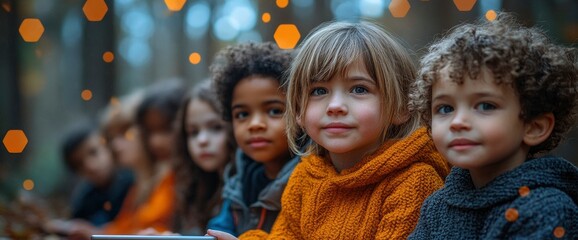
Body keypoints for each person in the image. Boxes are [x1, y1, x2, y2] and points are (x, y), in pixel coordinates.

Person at [208, 21, 450, 239]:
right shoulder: (306, 178)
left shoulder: (414, 182)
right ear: (299, 112)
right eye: (319, 91)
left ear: (401, 106)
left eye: (358, 89)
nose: (335, 106)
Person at [408, 13, 578, 239]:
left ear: (534, 126)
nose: (458, 122)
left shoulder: (547, 210)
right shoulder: (437, 206)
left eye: (485, 106)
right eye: (446, 109)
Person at [205, 42, 300, 236]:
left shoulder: (309, 180)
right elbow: (218, 230)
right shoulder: (239, 181)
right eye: (242, 114)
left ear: (299, 112)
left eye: (274, 111)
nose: (255, 124)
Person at [43, 122, 133, 235]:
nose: (90, 166)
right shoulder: (84, 198)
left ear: (107, 146)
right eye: (79, 164)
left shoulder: (132, 183)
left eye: (93, 152)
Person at [171, 80, 236, 235]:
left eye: (216, 128)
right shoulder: (194, 186)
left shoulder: (244, 188)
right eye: (193, 132)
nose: (202, 141)